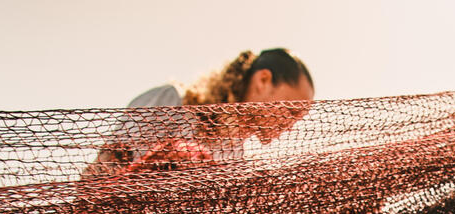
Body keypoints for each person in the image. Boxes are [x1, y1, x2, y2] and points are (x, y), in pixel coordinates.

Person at [83, 48, 314, 179]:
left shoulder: (236, 160)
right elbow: (98, 175)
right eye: (292, 111)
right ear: (263, 80)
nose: (290, 126)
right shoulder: (172, 103)